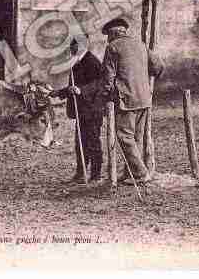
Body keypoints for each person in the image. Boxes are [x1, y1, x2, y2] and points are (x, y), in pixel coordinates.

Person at [98, 17, 164, 185]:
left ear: (113, 34)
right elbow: (158, 67)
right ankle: (131, 173)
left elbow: (108, 78)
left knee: (124, 136)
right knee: (136, 137)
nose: (107, 39)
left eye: (108, 35)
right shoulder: (141, 45)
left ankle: (141, 173)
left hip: (126, 100)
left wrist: (104, 97)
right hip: (144, 99)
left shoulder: (112, 47)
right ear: (124, 31)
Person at [51, 38, 104, 182]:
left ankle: (95, 175)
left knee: (92, 142)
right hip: (82, 110)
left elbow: (100, 83)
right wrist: (58, 93)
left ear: (81, 47)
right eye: (71, 47)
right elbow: (73, 88)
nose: (71, 50)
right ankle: (81, 173)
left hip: (93, 109)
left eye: (73, 47)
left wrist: (82, 90)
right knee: (80, 142)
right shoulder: (77, 62)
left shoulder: (91, 61)